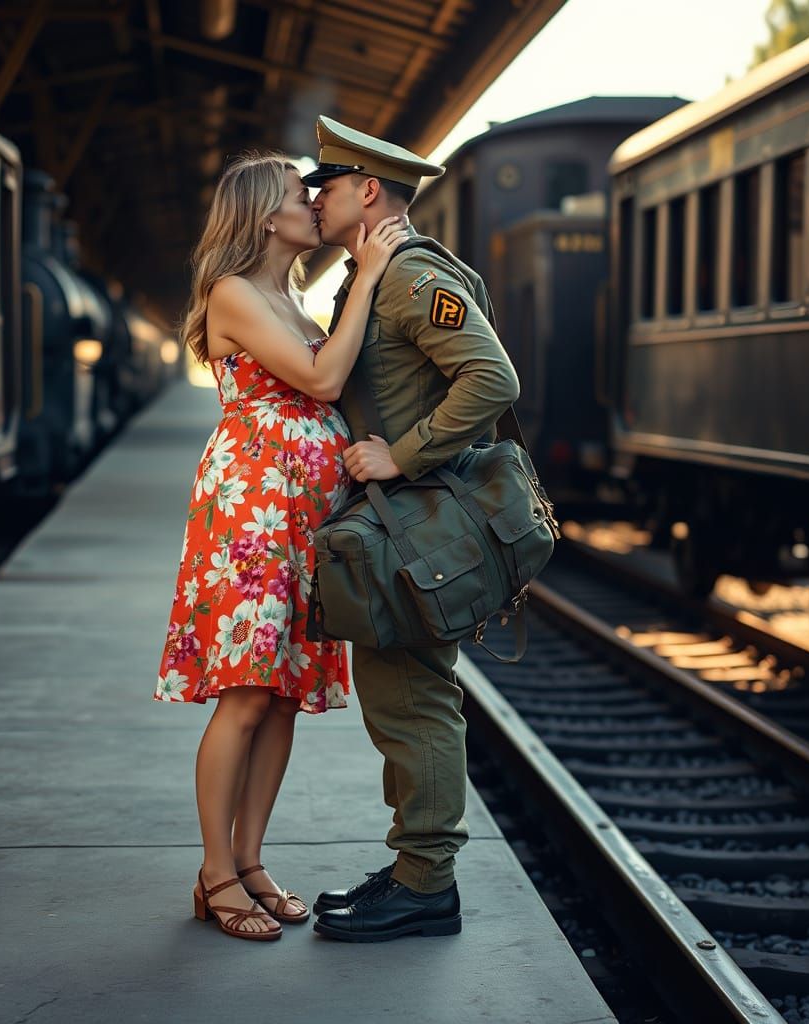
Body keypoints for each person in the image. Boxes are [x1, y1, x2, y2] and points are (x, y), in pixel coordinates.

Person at [154, 152, 409, 941]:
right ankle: (214, 872)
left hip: (302, 517)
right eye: (301, 197)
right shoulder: (232, 292)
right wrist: (367, 274)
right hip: (253, 516)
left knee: (285, 692)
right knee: (245, 693)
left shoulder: (290, 294)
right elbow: (322, 380)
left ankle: (252, 858)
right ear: (267, 217)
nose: (314, 205)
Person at [303, 116, 521, 942]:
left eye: (327, 186)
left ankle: (427, 882)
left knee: (414, 699)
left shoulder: (405, 277)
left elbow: (491, 378)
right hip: (399, 529)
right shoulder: (376, 273)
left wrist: (400, 455)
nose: (315, 199)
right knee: (399, 696)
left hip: (414, 524)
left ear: (367, 192)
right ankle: (412, 869)